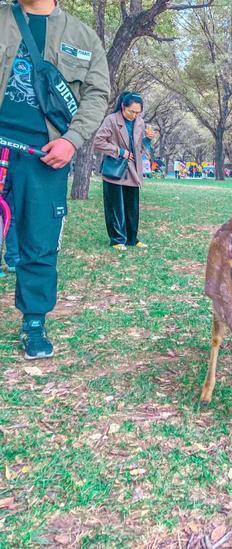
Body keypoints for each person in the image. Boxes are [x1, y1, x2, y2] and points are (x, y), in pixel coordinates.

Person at [0, 0, 109, 359]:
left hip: (45, 155)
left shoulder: (83, 36)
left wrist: (71, 140)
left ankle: (34, 323)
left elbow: (97, 95)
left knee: (39, 240)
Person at [94, 92, 155, 251]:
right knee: (115, 207)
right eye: (131, 111)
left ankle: (132, 239)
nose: (134, 115)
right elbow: (98, 142)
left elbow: (140, 147)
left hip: (133, 170)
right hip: (116, 168)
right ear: (123, 107)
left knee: (132, 206)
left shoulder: (140, 122)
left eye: (137, 112)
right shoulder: (111, 120)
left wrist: (148, 139)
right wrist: (119, 152)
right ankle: (117, 239)